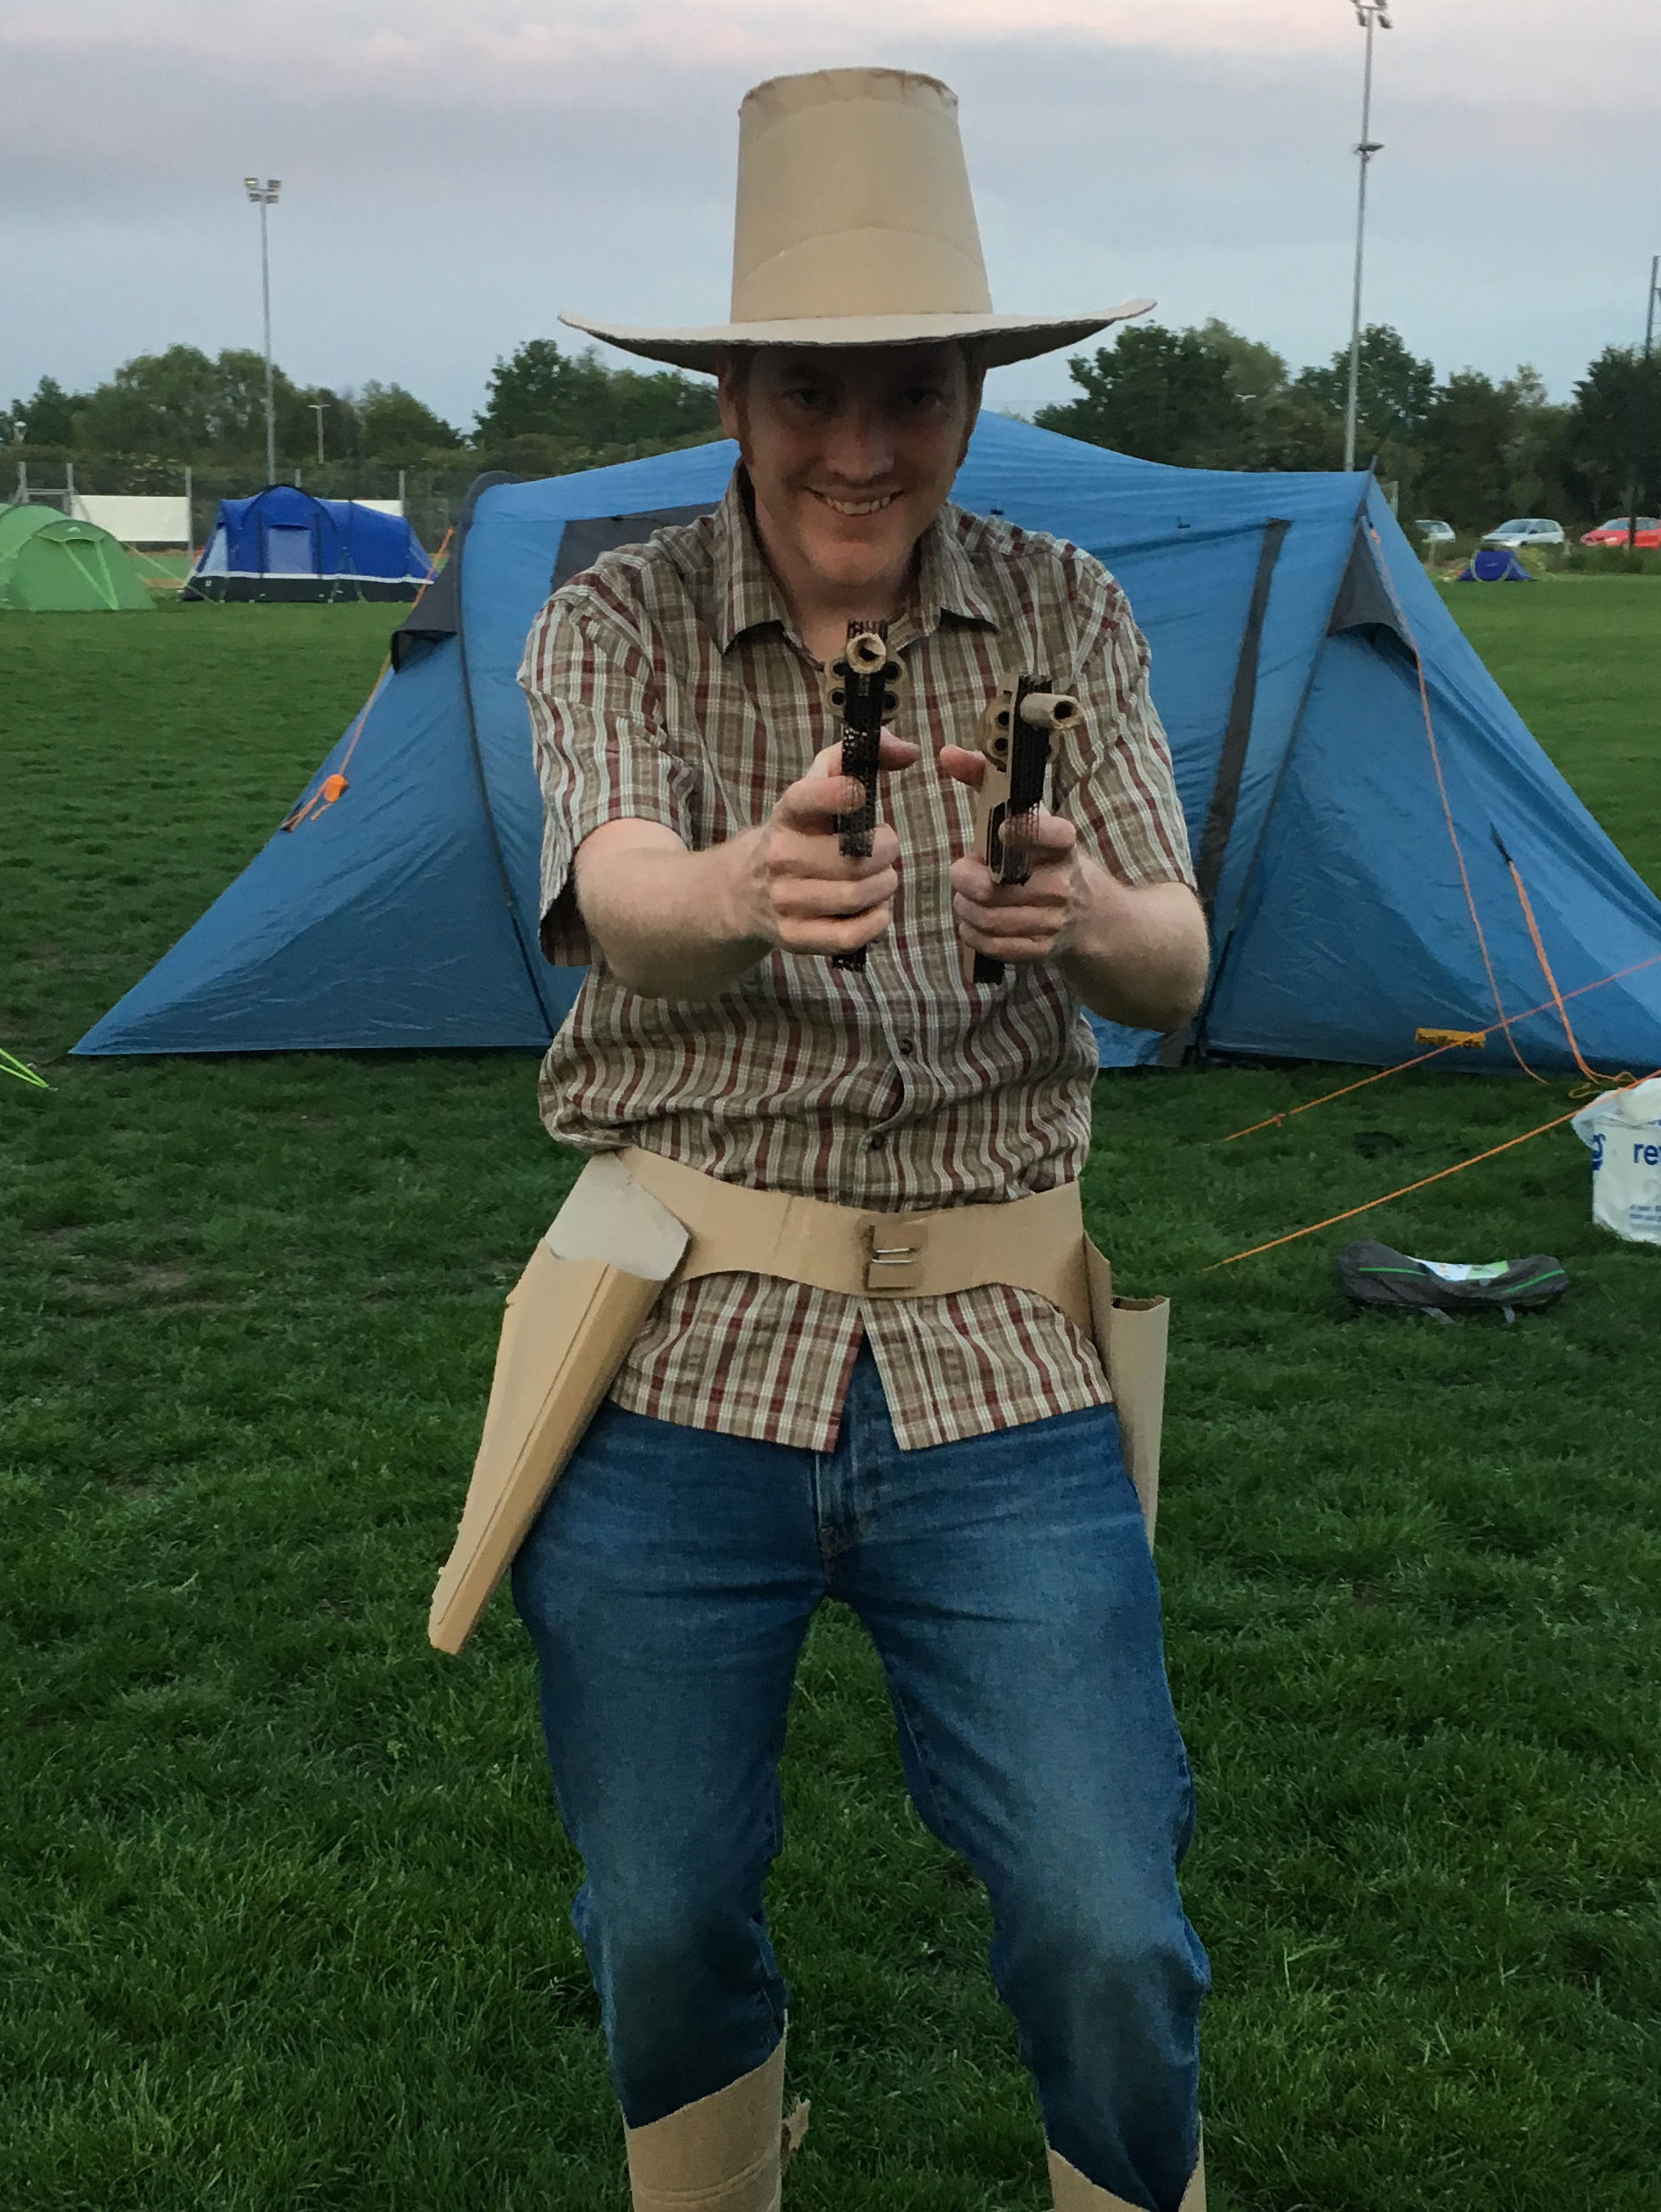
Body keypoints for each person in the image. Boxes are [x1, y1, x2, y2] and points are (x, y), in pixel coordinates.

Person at [507, 68, 1210, 2212]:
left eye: (911, 392)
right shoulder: (611, 617)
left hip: (1005, 1369)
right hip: (669, 1354)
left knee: (1109, 1924)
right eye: (814, 389)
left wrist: (1083, 917)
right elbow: (621, 884)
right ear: (732, 389)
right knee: (659, 1923)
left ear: (972, 397)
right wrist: (739, 892)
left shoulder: (1071, 610)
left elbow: (1179, 962)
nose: (861, 447)